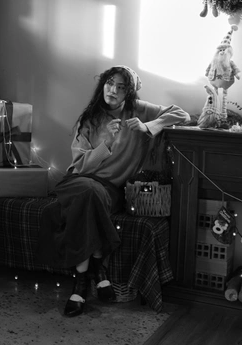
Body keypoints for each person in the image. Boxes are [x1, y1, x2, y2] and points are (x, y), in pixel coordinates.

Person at [36, 65, 189, 317]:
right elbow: (78, 166)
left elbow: (182, 114)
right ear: (102, 85)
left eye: (121, 87)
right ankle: (94, 272)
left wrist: (148, 126)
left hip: (111, 190)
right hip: (79, 181)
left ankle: (83, 281)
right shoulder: (90, 118)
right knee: (88, 192)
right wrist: (105, 142)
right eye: (109, 83)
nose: (113, 90)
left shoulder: (138, 110)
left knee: (90, 199)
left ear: (129, 91)